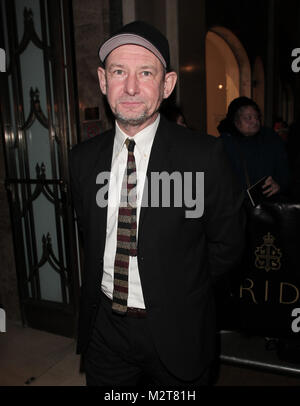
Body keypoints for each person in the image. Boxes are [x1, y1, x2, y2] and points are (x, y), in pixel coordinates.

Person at [69, 21, 245, 386]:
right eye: (119, 71)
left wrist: (179, 286)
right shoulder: (83, 159)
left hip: (177, 328)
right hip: (105, 330)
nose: (130, 87)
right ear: (103, 81)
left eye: (145, 72)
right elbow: (90, 232)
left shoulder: (203, 156)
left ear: (167, 85)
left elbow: (228, 245)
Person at [217, 97, 290, 203]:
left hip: (269, 207)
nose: (255, 121)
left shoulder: (271, 138)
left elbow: (285, 171)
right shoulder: (224, 144)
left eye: (257, 117)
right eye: (248, 118)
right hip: (235, 208)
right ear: (235, 121)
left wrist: (279, 185)